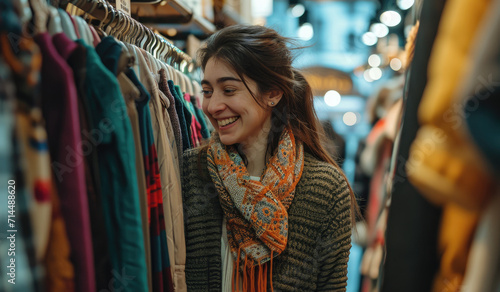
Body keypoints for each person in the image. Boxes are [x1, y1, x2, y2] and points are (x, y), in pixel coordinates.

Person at [182, 24, 355, 292]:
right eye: (207, 91)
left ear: (273, 93)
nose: (213, 106)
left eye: (228, 90)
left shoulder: (326, 189)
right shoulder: (192, 171)